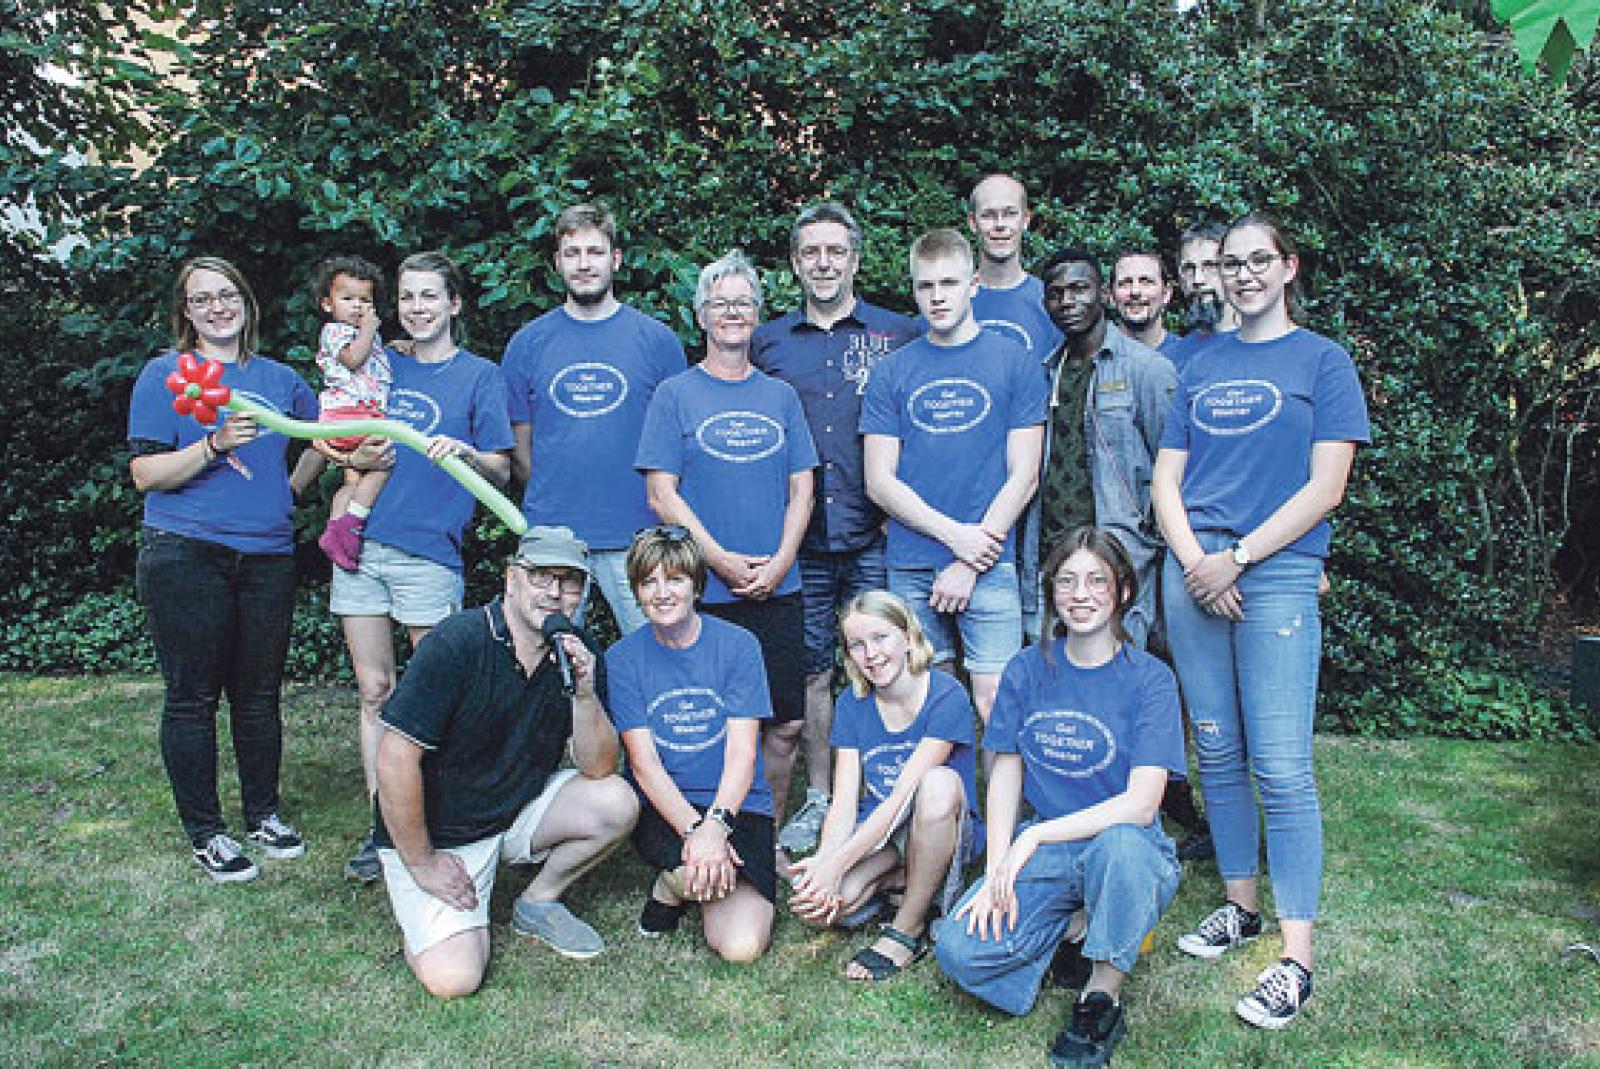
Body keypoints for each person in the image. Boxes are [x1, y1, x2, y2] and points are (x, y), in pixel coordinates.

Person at [1152, 211, 1369, 1029]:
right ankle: (1240, 905)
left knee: (1280, 765)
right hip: (1194, 573)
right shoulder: (1201, 363)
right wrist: (1196, 564)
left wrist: (1237, 558)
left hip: (1274, 572)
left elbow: (1326, 486)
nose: (1242, 275)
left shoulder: (1323, 360)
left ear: (1287, 266)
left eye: (1256, 261)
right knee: (1216, 747)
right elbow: (1166, 481)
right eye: (1230, 264)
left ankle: (1295, 957)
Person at [935, 528, 1184, 1069]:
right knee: (959, 950)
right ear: (1050, 591)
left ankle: (1100, 995)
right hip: (1049, 849)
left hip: (1126, 845)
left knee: (1122, 849)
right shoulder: (1026, 668)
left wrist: (1034, 837)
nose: (1081, 594)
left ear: (1122, 591)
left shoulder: (1151, 679)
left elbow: (1142, 804)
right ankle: (1079, 929)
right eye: (1067, 581)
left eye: (1097, 580)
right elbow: (1006, 768)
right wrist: (999, 864)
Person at [373, 526, 638, 998]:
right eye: (541, 577)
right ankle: (425, 907)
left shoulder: (579, 650)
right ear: (511, 578)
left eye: (569, 582)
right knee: (455, 979)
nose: (554, 593)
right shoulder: (456, 642)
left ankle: (537, 900)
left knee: (616, 801)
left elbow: (598, 768)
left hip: (514, 810)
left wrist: (584, 694)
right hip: (443, 833)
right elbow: (394, 760)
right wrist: (423, 861)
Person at [128, 256, 320, 881]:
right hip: (186, 551)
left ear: (246, 302)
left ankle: (263, 813)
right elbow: (145, 474)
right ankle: (207, 831)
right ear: (186, 312)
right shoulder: (167, 374)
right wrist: (214, 445)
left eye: (227, 294)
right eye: (202, 299)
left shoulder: (281, 379)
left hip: (267, 554)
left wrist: (290, 489)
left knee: (259, 695)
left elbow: (325, 436)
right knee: (192, 698)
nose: (218, 308)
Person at [330, 251, 515, 884]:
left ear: (454, 304)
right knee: (374, 690)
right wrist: (350, 451)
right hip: (362, 546)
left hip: (430, 553)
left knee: (437, 695)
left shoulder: (480, 377)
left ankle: (438, 817)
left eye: (430, 296)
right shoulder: (384, 363)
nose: (417, 307)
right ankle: (381, 826)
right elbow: (339, 424)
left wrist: (466, 453)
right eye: (407, 296)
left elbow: (502, 469)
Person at [752, 201, 920, 857]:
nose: (824, 263)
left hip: (876, 532)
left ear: (855, 259)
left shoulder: (897, 334)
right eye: (811, 252)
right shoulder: (767, 342)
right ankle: (821, 796)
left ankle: (891, 789)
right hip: (802, 539)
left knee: (888, 660)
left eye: (836, 251)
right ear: (795, 263)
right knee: (815, 672)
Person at [637, 250, 818, 840]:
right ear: (701, 316)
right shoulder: (675, 395)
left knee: (784, 726)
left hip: (778, 586)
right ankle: (705, 832)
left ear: (758, 314)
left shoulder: (781, 397)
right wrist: (719, 561)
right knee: (715, 725)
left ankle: (762, 835)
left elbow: (803, 489)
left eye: (743, 303)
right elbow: (661, 494)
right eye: (720, 304)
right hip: (704, 590)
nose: (733, 313)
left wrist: (782, 561)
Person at [861, 228, 1047, 726]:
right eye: (926, 286)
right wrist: (955, 538)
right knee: (924, 706)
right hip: (912, 563)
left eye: (949, 283)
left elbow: (1025, 475)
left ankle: (1009, 787)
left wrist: (970, 559)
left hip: (990, 563)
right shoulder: (891, 372)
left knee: (997, 705)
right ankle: (942, 785)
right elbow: (879, 480)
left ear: (974, 284)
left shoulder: (1015, 363)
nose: (938, 297)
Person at [503, 202, 686, 635]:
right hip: (553, 538)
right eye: (572, 253)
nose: (584, 265)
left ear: (615, 259)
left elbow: (676, 446)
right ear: (557, 262)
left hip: (639, 535)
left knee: (657, 649)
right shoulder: (527, 344)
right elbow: (520, 447)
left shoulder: (658, 342)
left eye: (595, 252)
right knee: (545, 655)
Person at [604, 526, 779, 963]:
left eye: (675, 579)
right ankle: (672, 884)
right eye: (649, 582)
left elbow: (742, 753)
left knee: (742, 947)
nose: (662, 593)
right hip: (666, 805)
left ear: (696, 586)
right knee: (697, 876)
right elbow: (644, 765)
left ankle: (680, 887)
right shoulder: (621, 659)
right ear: (636, 592)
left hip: (737, 803)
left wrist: (717, 826)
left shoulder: (739, 646)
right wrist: (695, 834)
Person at [788, 590, 981, 982]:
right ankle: (904, 879)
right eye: (857, 645)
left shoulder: (946, 695)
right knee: (829, 907)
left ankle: (908, 925)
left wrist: (837, 864)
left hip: (939, 822)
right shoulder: (851, 703)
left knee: (937, 783)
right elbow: (844, 802)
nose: (871, 654)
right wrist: (824, 864)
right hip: (884, 834)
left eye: (880, 638)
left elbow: (900, 799)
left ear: (908, 637)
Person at [1021, 248, 1175, 648]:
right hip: (1051, 561)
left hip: (1122, 557)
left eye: (1079, 289)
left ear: (1104, 294)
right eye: (1056, 294)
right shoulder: (1043, 374)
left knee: (1121, 671)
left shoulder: (1147, 369)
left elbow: (1176, 471)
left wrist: (1154, 541)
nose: (1068, 301)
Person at [312, 254, 392, 572]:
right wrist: (369, 330)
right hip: (353, 415)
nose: (357, 307)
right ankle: (352, 523)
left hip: (350, 415)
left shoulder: (363, 336)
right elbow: (353, 359)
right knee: (382, 465)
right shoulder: (336, 331)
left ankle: (335, 529)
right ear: (327, 304)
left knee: (352, 480)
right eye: (348, 299)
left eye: (365, 300)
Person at [966, 174, 1061, 359]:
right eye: (988, 215)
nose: (1000, 225)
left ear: (1026, 219)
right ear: (973, 223)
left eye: (1010, 213)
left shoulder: (1050, 303)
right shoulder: (950, 302)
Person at [1163, 221, 1238, 376]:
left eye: (1210, 266)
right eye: (1189, 269)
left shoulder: (1262, 345)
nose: (1198, 279)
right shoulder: (1170, 362)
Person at [1109, 247, 1178, 356]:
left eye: (1146, 282)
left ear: (1166, 294)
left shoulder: (1189, 358)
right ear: (1111, 296)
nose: (1135, 291)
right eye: (1125, 283)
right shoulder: (1093, 359)